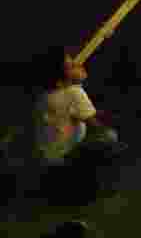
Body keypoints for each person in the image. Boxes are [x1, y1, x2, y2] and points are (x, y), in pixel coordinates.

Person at [28, 47, 126, 204]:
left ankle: (58, 184)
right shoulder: (74, 93)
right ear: (60, 80)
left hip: (48, 159)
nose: (80, 65)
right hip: (66, 158)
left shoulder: (44, 95)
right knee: (110, 137)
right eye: (72, 66)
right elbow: (98, 127)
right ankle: (93, 188)